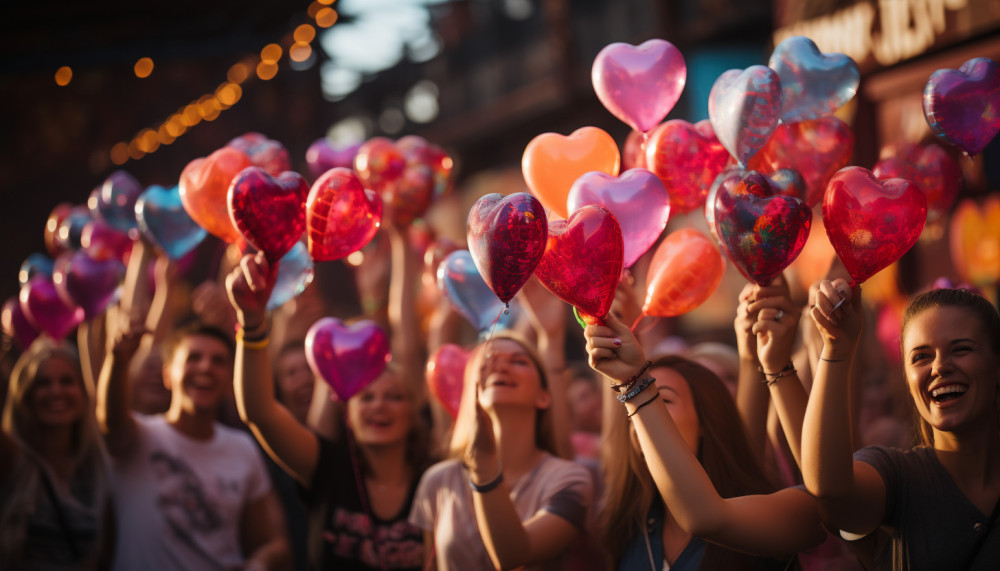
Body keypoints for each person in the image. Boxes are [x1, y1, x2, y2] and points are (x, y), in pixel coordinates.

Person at [226, 251, 432, 570]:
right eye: (366, 398)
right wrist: (252, 322)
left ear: (413, 411)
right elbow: (259, 411)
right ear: (347, 413)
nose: (379, 405)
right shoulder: (326, 468)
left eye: (393, 397)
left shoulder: (434, 480)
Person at [586, 313, 826, 570]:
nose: (642, 422)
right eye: (632, 411)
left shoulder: (769, 514)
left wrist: (636, 384)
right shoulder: (631, 525)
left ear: (706, 422)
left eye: (663, 400)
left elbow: (704, 518)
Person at [802, 284, 1000, 570]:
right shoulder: (898, 477)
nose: (939, 367)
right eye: (921, 357)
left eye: (961, 349)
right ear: (907, 379)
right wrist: (835, 348)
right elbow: (830, 488)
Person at [95, 316, 290, 570]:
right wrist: (118, 362)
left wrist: (261, 562)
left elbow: (271, 541)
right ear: (168, 375)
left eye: (218, 361)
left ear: (230, 379)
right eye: (193, 358)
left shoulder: (243, 448)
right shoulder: (138, 437)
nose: (206, 368)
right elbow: (110, 419)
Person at [410, 332, 594, 570]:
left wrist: (484, 467)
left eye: (519, 361)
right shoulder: (439, 480)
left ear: (543, 397)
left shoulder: (569, 480)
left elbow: (514, 556)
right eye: (488, 361)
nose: (501, 367)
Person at [0, 339, 112, 569]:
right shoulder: (11, 459)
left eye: (67, 381)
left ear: (83, 392)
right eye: (43, 383)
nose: (56, 391)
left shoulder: (98, 464)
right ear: (26, 394)